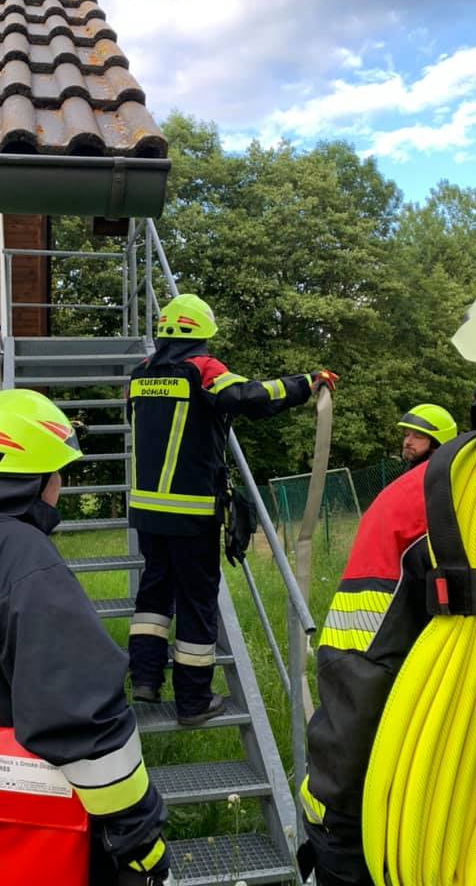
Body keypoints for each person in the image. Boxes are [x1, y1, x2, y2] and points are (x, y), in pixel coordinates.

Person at [0, 389, 170, 886]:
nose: (61, 484)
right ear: (38, 479)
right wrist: (139, 838)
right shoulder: (22, 557)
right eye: (59, 471)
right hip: (20, 818)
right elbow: (81, 719)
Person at [126, 293, 338, 726]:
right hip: (191, 515)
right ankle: (193, 702)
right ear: (202, 333)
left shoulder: (140, 374)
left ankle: (145, 679)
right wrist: (306, 382)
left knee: (153, 596)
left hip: (147, 513)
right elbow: (249, 396)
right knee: (196, 603)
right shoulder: (202, 369)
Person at [297, 404, 457, 885]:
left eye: (417, 436)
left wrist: (334, 831)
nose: (407, 442)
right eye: (406, 434)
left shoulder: (414, 500)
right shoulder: (415, 500)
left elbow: (355, 665)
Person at [397, 402, 457, 468]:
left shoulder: (439, 473)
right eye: (406, 435)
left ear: (435, 444)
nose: (407, 442)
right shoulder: (413, 468)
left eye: (418, 437)